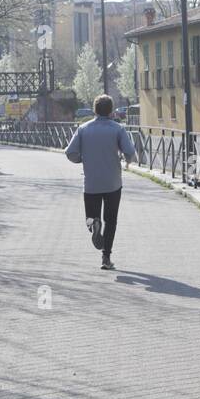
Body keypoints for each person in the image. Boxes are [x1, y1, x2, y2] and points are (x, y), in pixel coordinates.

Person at [64, 93, 138, 270]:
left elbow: (70, 153)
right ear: (111, 110)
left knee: (91, 216)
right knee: (111, 220)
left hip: (91, 182)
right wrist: (127, 160)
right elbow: (130, 152)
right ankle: (106, 257)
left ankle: (94, 224)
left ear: (94, 110)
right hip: (113, 182)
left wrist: (82, 159)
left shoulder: (83, 129)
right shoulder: (117, 129)